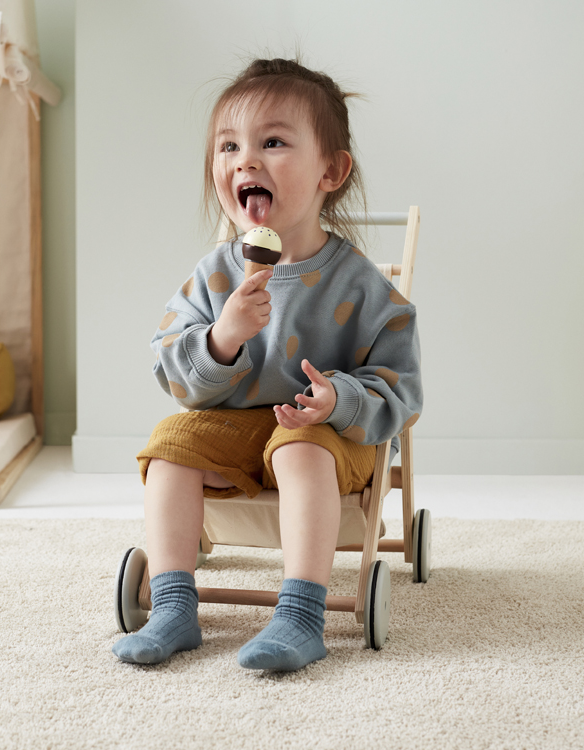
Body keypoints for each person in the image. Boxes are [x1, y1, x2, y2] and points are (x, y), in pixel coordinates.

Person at [113, 57, 423, 671]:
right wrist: (222, 338)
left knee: (299, 446)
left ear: (330, 171)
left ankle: (302, 614)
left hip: (327, 434)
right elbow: (173, 372)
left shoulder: (360, 286)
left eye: (273, 142)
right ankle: (175, 606)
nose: (245, 160)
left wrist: (339, 399)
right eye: (229, 146)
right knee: (170, 443)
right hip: (237, 426)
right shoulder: (215, 274)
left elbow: (401, 388)